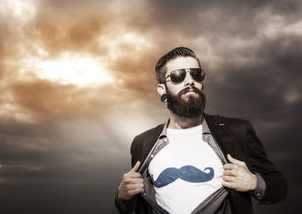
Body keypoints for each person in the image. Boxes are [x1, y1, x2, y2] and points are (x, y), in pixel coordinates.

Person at [115, 47, 287, 214]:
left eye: (196, 74)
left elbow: (279, 187)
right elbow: (135, 206)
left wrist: (254, 182)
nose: (189, 81)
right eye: (178, 76)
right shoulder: (143, 143)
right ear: (162, 89)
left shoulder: (238, 131)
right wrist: (123, 197)